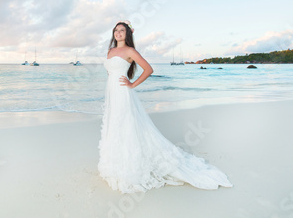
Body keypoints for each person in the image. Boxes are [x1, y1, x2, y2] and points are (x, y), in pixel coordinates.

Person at [98, 20, 232, 193]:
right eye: (116, 30)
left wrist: (132, 84)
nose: (118, 33)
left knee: (125, 125)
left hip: (123, 93)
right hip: (112, 93)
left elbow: (148, 69)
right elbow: (110, 71)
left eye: (122, 30)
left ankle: (129, 164)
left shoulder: (130, 51)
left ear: (127, 34)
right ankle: (114, 162)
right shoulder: (110, 51)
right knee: (114, 125)